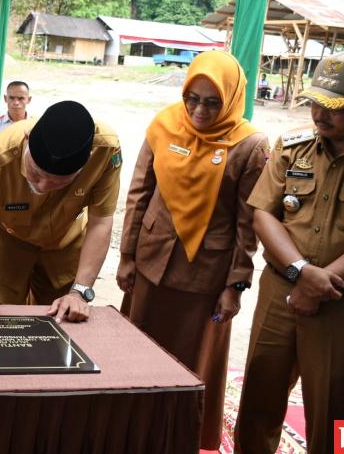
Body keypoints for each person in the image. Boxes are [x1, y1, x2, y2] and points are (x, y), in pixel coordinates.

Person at [116, 50, 268, 450]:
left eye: (213, 101)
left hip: (205, 278)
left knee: (190, 365)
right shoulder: (165, 124)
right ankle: (132, 430)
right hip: (152, 264)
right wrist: (127, 256)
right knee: (137, 352)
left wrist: (235, 285)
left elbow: (247, 222)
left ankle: (178, 437)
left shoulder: (249, 145)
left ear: (232, 98)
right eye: (193, 98)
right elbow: (139, 193)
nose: (200, 110)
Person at [234, 50, 344, 453]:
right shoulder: (293, 147)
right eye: (315, 103)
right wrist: (301, 272)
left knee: (341, 410)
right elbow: (263, 213)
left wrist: (320, 283)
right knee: (259, 392)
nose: (319, 115)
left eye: (335, 108)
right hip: (281, 291)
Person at [0, 100, 121, 322]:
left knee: (62, 317)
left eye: (58, 183)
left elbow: (101, 222)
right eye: (35, 173)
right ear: (26, 140)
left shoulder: (105, 151)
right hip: (8, 241)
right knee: (2, 317)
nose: (42, 187)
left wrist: (79, 292)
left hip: (65, 242)